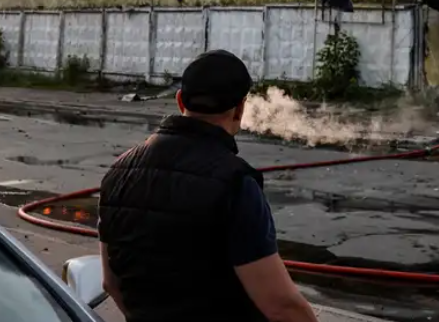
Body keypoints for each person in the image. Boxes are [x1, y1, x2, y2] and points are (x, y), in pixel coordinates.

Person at [97, 49, 318, 322]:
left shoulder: (117, 172)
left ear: (180, 101)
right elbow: (282, 306)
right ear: (239, 109)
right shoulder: (235, 184)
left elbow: (111, 282)